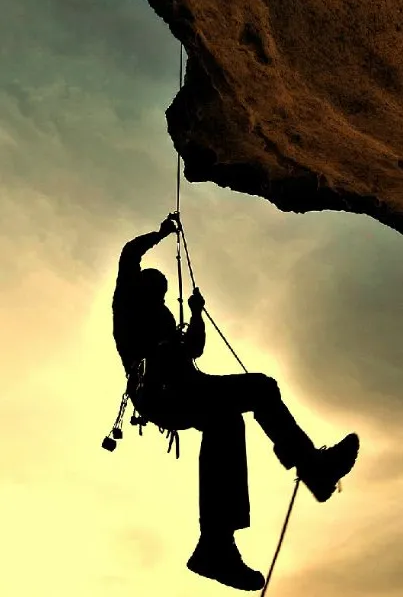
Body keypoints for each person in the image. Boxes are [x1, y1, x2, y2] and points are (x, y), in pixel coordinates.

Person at [112, 215, 360, 592]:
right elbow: (130, 253)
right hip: (160, 393)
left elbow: (193, 348)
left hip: (185, 389)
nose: (160, 291)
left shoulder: (161, 317)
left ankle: (217, 544)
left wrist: (195, 315)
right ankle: (311, 471)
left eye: (163, 289)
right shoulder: (128, 305)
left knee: (232, 416)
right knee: (251, 395)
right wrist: (161, 234)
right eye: (156, 285)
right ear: (142, 284)